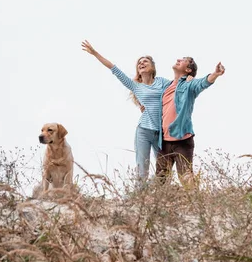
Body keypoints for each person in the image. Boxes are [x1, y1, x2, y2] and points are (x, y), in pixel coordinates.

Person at [81, 40, 171, 179]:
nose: (141, 63)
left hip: (161, 132)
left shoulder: (163, 82)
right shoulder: (136, 86)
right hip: (144, 131)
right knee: (142, 170)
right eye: (139, 63)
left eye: (145, 61)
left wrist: (190, 78)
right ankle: (139, 198)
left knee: (164, 170)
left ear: (152, 67)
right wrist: (94, 53)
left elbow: (179, 88)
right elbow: (114, 69)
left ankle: (158, 196)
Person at [156, 56, 225, 185]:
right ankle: (161, 205)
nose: (178, 59)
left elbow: (203, 83)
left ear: (188, 69)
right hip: (163, 141)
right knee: (161, 180)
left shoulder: (189, 84)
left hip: (182, 140)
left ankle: (195, 204)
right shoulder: (166, 86)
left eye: (184, 60)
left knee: (187, 179)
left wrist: (215, 74)